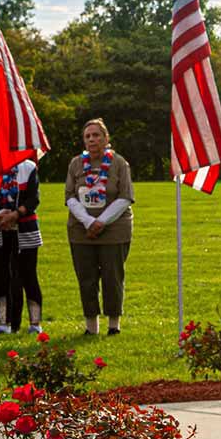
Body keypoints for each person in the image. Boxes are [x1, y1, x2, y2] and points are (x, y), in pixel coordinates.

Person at [65, 119, 135, 336]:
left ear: (106, 139)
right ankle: (91, 327)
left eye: (96, 135)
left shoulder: (119, 163)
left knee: (112, 277)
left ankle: (114, 325)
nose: (92, 139)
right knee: (86, 277)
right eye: (88, 136)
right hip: (81, 231)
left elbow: (125, 196)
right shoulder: (76, 164)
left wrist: (101, 222)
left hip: (114, 231)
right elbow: (69, 196)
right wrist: (88, 221)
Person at [0, 158, 43, 334]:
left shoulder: (28, 167)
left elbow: (34, 198)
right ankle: (4, 324)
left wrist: (15, 214)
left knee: (28, 275)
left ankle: (35, 323)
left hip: (24, 227)